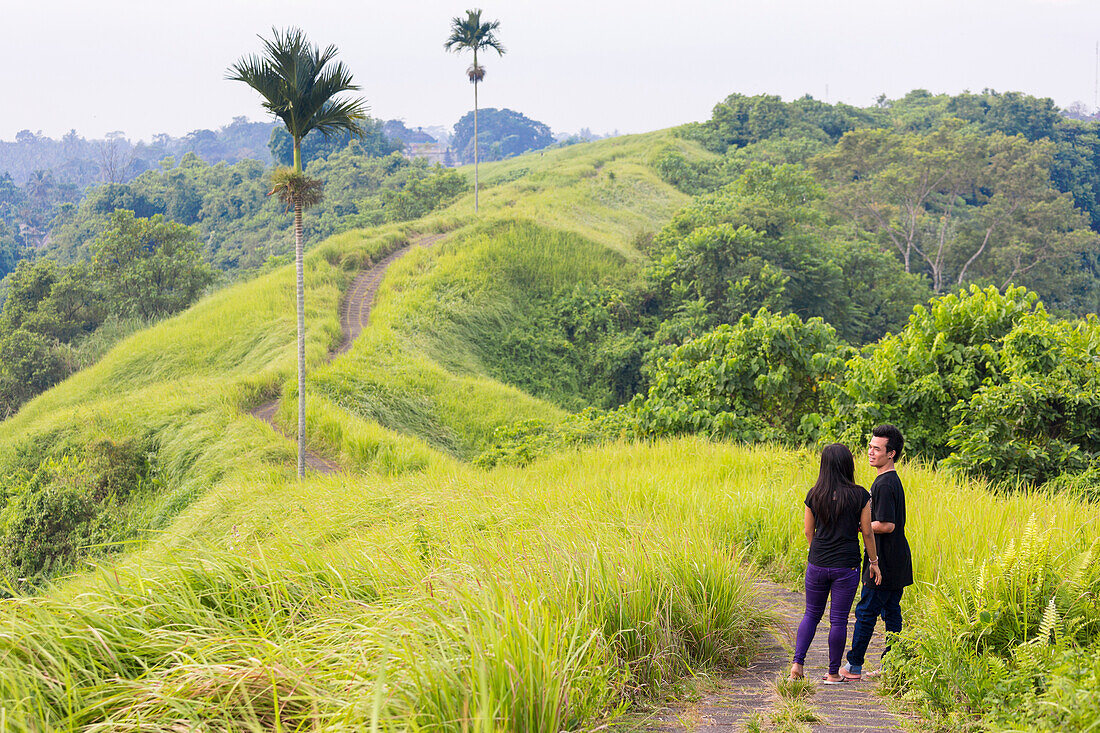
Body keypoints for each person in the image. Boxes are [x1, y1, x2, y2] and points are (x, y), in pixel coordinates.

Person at [790, 443, 881, 683]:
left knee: (811, 614)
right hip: (846, 565)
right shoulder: (860, 495)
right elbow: (867, 533)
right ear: (848, 465)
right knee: (838, 619)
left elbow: (809, 531)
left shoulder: (814, 494)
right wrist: (874, 561)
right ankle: (832, 674)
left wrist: (818, 552)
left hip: (817, 563)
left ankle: (797, 666)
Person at [841, 424, 914, 681]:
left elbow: (886, 524)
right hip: (897, 559)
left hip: (883, 562)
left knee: (866, 611)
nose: (870, 452)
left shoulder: (884, 484)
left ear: (891, 453)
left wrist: (856, 526)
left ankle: (854, 666)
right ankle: (893, 666)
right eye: (870, 447)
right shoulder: (889, 480)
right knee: (892, 611)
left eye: (876, 449)